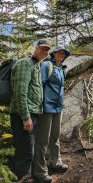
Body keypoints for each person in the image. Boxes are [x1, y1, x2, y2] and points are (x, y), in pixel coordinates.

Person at [10, 39, 51, 183]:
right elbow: (20, 92)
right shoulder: (25, 63)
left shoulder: (36, 65)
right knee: (26, 150)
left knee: (28, 147)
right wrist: (25, 117)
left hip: (32, 113)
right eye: (42, 49)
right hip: (22, 114)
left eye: (47, 50)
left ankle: (24, 175)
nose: (45, 52)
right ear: (36, 48)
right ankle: (23, 177)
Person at [32, 46, 70, 183]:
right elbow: (39, 84)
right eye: (59, 52)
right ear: (53, 54)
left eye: (63, 53)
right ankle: (39, 170)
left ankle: (55, 162)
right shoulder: (47, 65)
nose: (61, 54)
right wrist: (39, 104)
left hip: (58, 108)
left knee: (55, 137)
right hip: (46, 108)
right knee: (42, 140)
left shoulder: (61, 69)